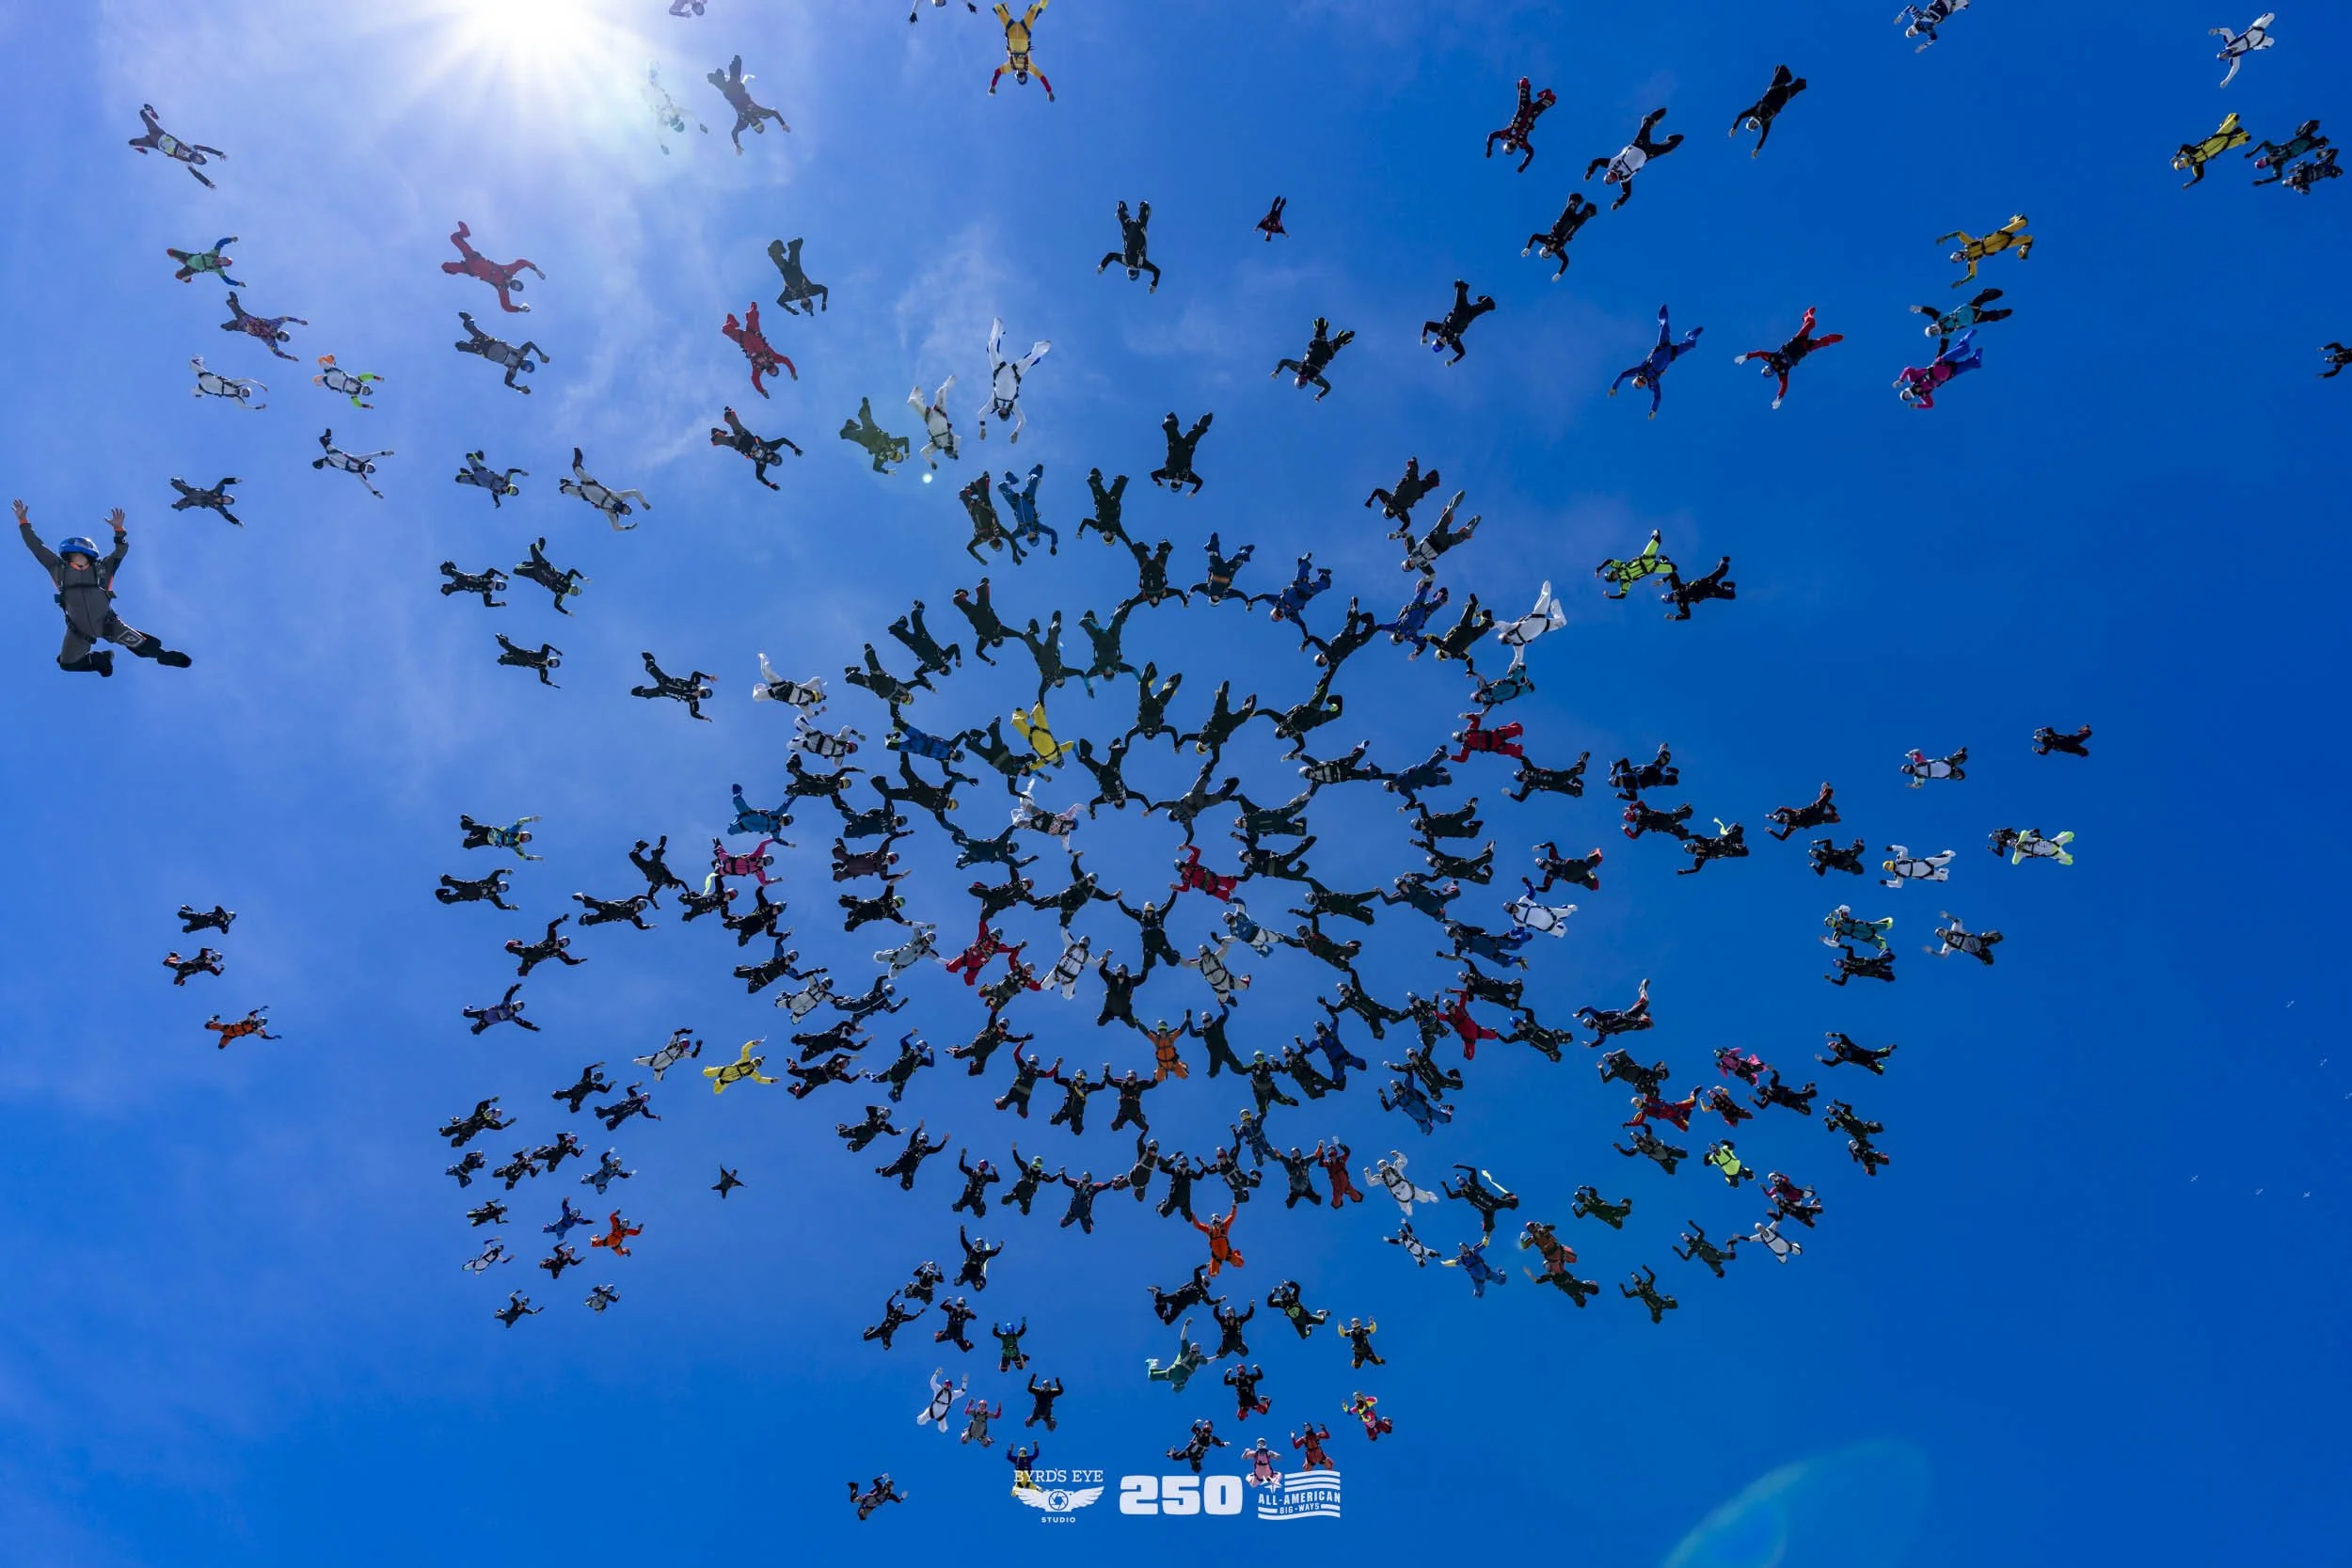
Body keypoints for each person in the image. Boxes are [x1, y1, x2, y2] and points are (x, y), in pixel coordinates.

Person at [16, 501, 190, 673]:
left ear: (87, 554)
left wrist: (119, 531)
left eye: (77, 555)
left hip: (108, 624)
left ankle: (165, 656)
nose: (74, 559)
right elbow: (36, 546)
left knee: (143, 646)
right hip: (79, 630)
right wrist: (23, 522)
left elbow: (120, 552)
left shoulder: (102, 570)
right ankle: (103, 661)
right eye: (71, 556)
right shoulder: (58, 569)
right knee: (67, 664)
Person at [1733, 308, 1842, 409]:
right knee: (1822, 342)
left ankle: (1806, 315)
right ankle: (1830, 339)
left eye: (1766, 371)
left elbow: (1760, 353)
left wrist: (1747, 357)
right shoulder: (1782, 373)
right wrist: (1779, 398)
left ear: (1766, 367)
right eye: (1768, 374)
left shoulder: (1772, 359)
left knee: (1811, 323)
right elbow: (1784, 385)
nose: (1769, 372)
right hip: (1804, 349)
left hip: (1797, 341)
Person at [1611, 307, 1703, 419]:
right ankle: (1691, 336)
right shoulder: (1652, 383)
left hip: (1662, 346)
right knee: (1690, 345)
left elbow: (1623, 374)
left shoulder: (1640, 370)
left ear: (1637, 377)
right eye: (1641, 384)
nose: (1642, 381)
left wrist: (1614, 387)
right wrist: (1653, 411)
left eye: (1639, 381)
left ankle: (1663, 318)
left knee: (1665, 325)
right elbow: (1657, 397)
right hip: (1671, 354)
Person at [1585, 108, 1682, 208]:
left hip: (1638, 145)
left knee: (1647, 124)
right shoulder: (1625, 179)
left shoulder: (1612, 164)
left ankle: (1653, 118)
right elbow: (1627, 194)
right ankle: (1671, 140)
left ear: (1609, 172)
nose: (1613, 176)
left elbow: (1596, 161)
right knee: (1671, 145)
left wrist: (1590, 172)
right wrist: (1618, 203)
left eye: (1610, 175)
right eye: (1613, 179)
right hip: (1647, 155)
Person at [1729, 65, 1805, 156]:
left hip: (1775, 88)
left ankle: (1785, 75)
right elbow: (1763, 137)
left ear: (1750, 120)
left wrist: (1734, 127)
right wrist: (1757, 149)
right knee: (1801, 85)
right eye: (1753, 126)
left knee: (1781, 69)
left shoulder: (1753, 112)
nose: (1753, 124)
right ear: (1757, 127)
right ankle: (1798, 81)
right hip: (1785, 95)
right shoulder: (1765, 123)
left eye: (1751, 124)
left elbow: (1741, 116)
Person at [1485, 76, 1557, 171]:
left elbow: (1492, 135)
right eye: (1512, 147)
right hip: (1532, 115)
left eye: (1510, 145)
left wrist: (1489, 149)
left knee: (1523, 83)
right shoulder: (1522, 142)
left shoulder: (1507, 134)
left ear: (1508, 143)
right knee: (1551, 99)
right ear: (1515, 148)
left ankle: (1526, 87)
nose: (1512, 144)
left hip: (1522, 109)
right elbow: (1531, 153)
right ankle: (1546, 95)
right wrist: (1523, 166)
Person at [989, 3, 1055, 99]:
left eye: (1019, 78)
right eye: (1022, 78)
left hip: (1011, 31)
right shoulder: (1029, 67)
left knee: (997, 6)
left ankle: (1005, 8)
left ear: (1016, 76)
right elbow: (1042, 78)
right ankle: (1040, 8)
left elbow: (997, 72)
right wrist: (1049, 91)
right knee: (1035, 8)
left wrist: (993, 86)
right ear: (1025, 75)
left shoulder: (1011, 66)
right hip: (1024, 31)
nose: (1020, 76)